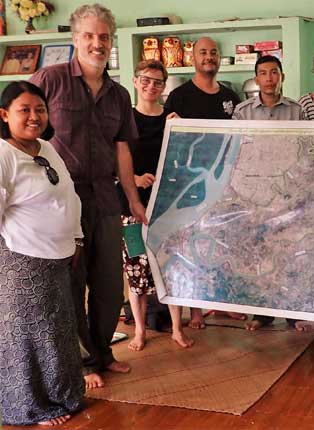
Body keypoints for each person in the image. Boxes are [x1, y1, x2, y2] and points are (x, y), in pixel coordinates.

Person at [30, 4, 146, 389]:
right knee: (72, 282)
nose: (97, 43)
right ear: (75, 39)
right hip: (61, 199)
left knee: (110, 283)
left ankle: (104, 351)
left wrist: (132, 199)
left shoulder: (119, 94)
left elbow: (122, 150)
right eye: (90, 36)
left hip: (106, 198)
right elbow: (22, 129)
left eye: (104, 37)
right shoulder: (50, 79)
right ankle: (82, 361)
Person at [0, 81, 84, 426]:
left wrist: (77, 237)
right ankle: (30, 409)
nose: (35, 116)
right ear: (4, 115)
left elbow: (68, 195)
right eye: (25, 110)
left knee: (58, 332)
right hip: (23, 262)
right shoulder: (4, 154)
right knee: (29, 338)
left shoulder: (46, 147)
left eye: (40, 109)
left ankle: (63, 397)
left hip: (57, 259)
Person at [164, 36, 243, 327]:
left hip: (224, 180)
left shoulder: (231, 97)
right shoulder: (180, 96)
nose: (208, 57)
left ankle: (222, 303)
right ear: (193, 58)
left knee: (222, 242)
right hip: (191, 183)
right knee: (192, 245)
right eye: (203, 53)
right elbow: (169, 140)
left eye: (213, 53)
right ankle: (196, 309)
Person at [232, 55, 309, 332]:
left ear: (281, 76)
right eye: (263, 73)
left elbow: (304, 150)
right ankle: (262, 312)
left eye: (273, 72)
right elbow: (236, 153)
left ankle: (290, 312)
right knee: (259, 253)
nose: (268, 78)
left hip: (286, 192)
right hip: (254, 194)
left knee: (287, 251)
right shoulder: (243, 112)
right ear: (256, 78)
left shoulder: (296, 111)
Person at [121, 60, 194, 351]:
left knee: (172, 267)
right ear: (136, 81)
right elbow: (112, 160)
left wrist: (178, 132)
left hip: (168, 207)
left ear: (164, 87)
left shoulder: (173, 119)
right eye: (146, 80)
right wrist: (133, 179)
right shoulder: (124, 120)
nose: (152, 86)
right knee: (136, 270)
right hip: (132, 206)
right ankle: (140, 331)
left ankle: (177, 328)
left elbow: (186, 162)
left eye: (158, 82)